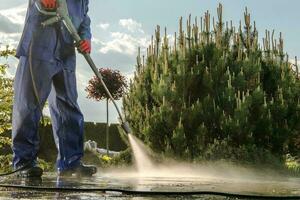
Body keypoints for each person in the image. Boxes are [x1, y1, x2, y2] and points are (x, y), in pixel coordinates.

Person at [12, 0, 97, 177]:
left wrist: (86, 37)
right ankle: (24, 163)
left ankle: (71, 162)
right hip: (38, 47)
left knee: (68, 107)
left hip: (65, 53)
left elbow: (84, 18)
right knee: (28, 105)